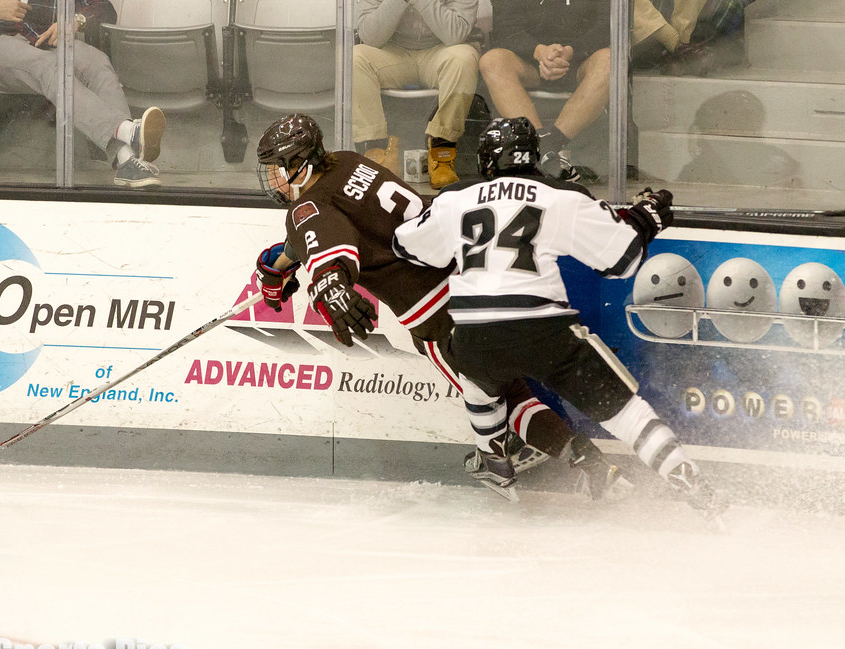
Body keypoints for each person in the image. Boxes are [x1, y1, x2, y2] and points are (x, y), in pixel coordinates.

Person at [253, 112, 630, 502]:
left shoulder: (306, 210)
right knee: (511, 380)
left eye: (277, 168)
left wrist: (328, 283)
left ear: (300, 164)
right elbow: (336, 223)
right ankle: (529, 446)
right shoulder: (348, 162)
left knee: (505, 395)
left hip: (436, 316)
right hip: (476, 278)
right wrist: (281, 261)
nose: (273, 179)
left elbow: (328, 245)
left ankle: (583, 462)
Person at [392, 116, 729, 521]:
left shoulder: (454, 197)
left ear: (487, 159)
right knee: (626, 412)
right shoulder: (560, 194)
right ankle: (689, 481)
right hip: (542, 331)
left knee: (475, 374)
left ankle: (492, 455)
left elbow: (406, 245)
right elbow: (621, 261)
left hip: (473, 333)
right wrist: (646, 218)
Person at [0, 0, 166, 188]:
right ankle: (127, 131)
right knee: (51, 66)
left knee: (96, 61)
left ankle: (126, 159)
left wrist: (75, 21)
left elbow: (103, 8)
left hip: (44, 42)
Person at [354, 0, 481, 189]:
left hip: (442, 50)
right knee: (356, 58)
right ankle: (377, 152)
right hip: (392, 51)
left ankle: (442, 150)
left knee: (464, 58)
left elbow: (455, 34)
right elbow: (371, 37)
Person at [478, 0, 611, 182]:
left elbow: (609, 25)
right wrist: (539, 52)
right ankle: (541, 147)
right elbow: (504, 28)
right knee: (492, 61)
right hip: (529, 62)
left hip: (582, 61)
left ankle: (545, 146)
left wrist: (571, 51)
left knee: (611, 61)